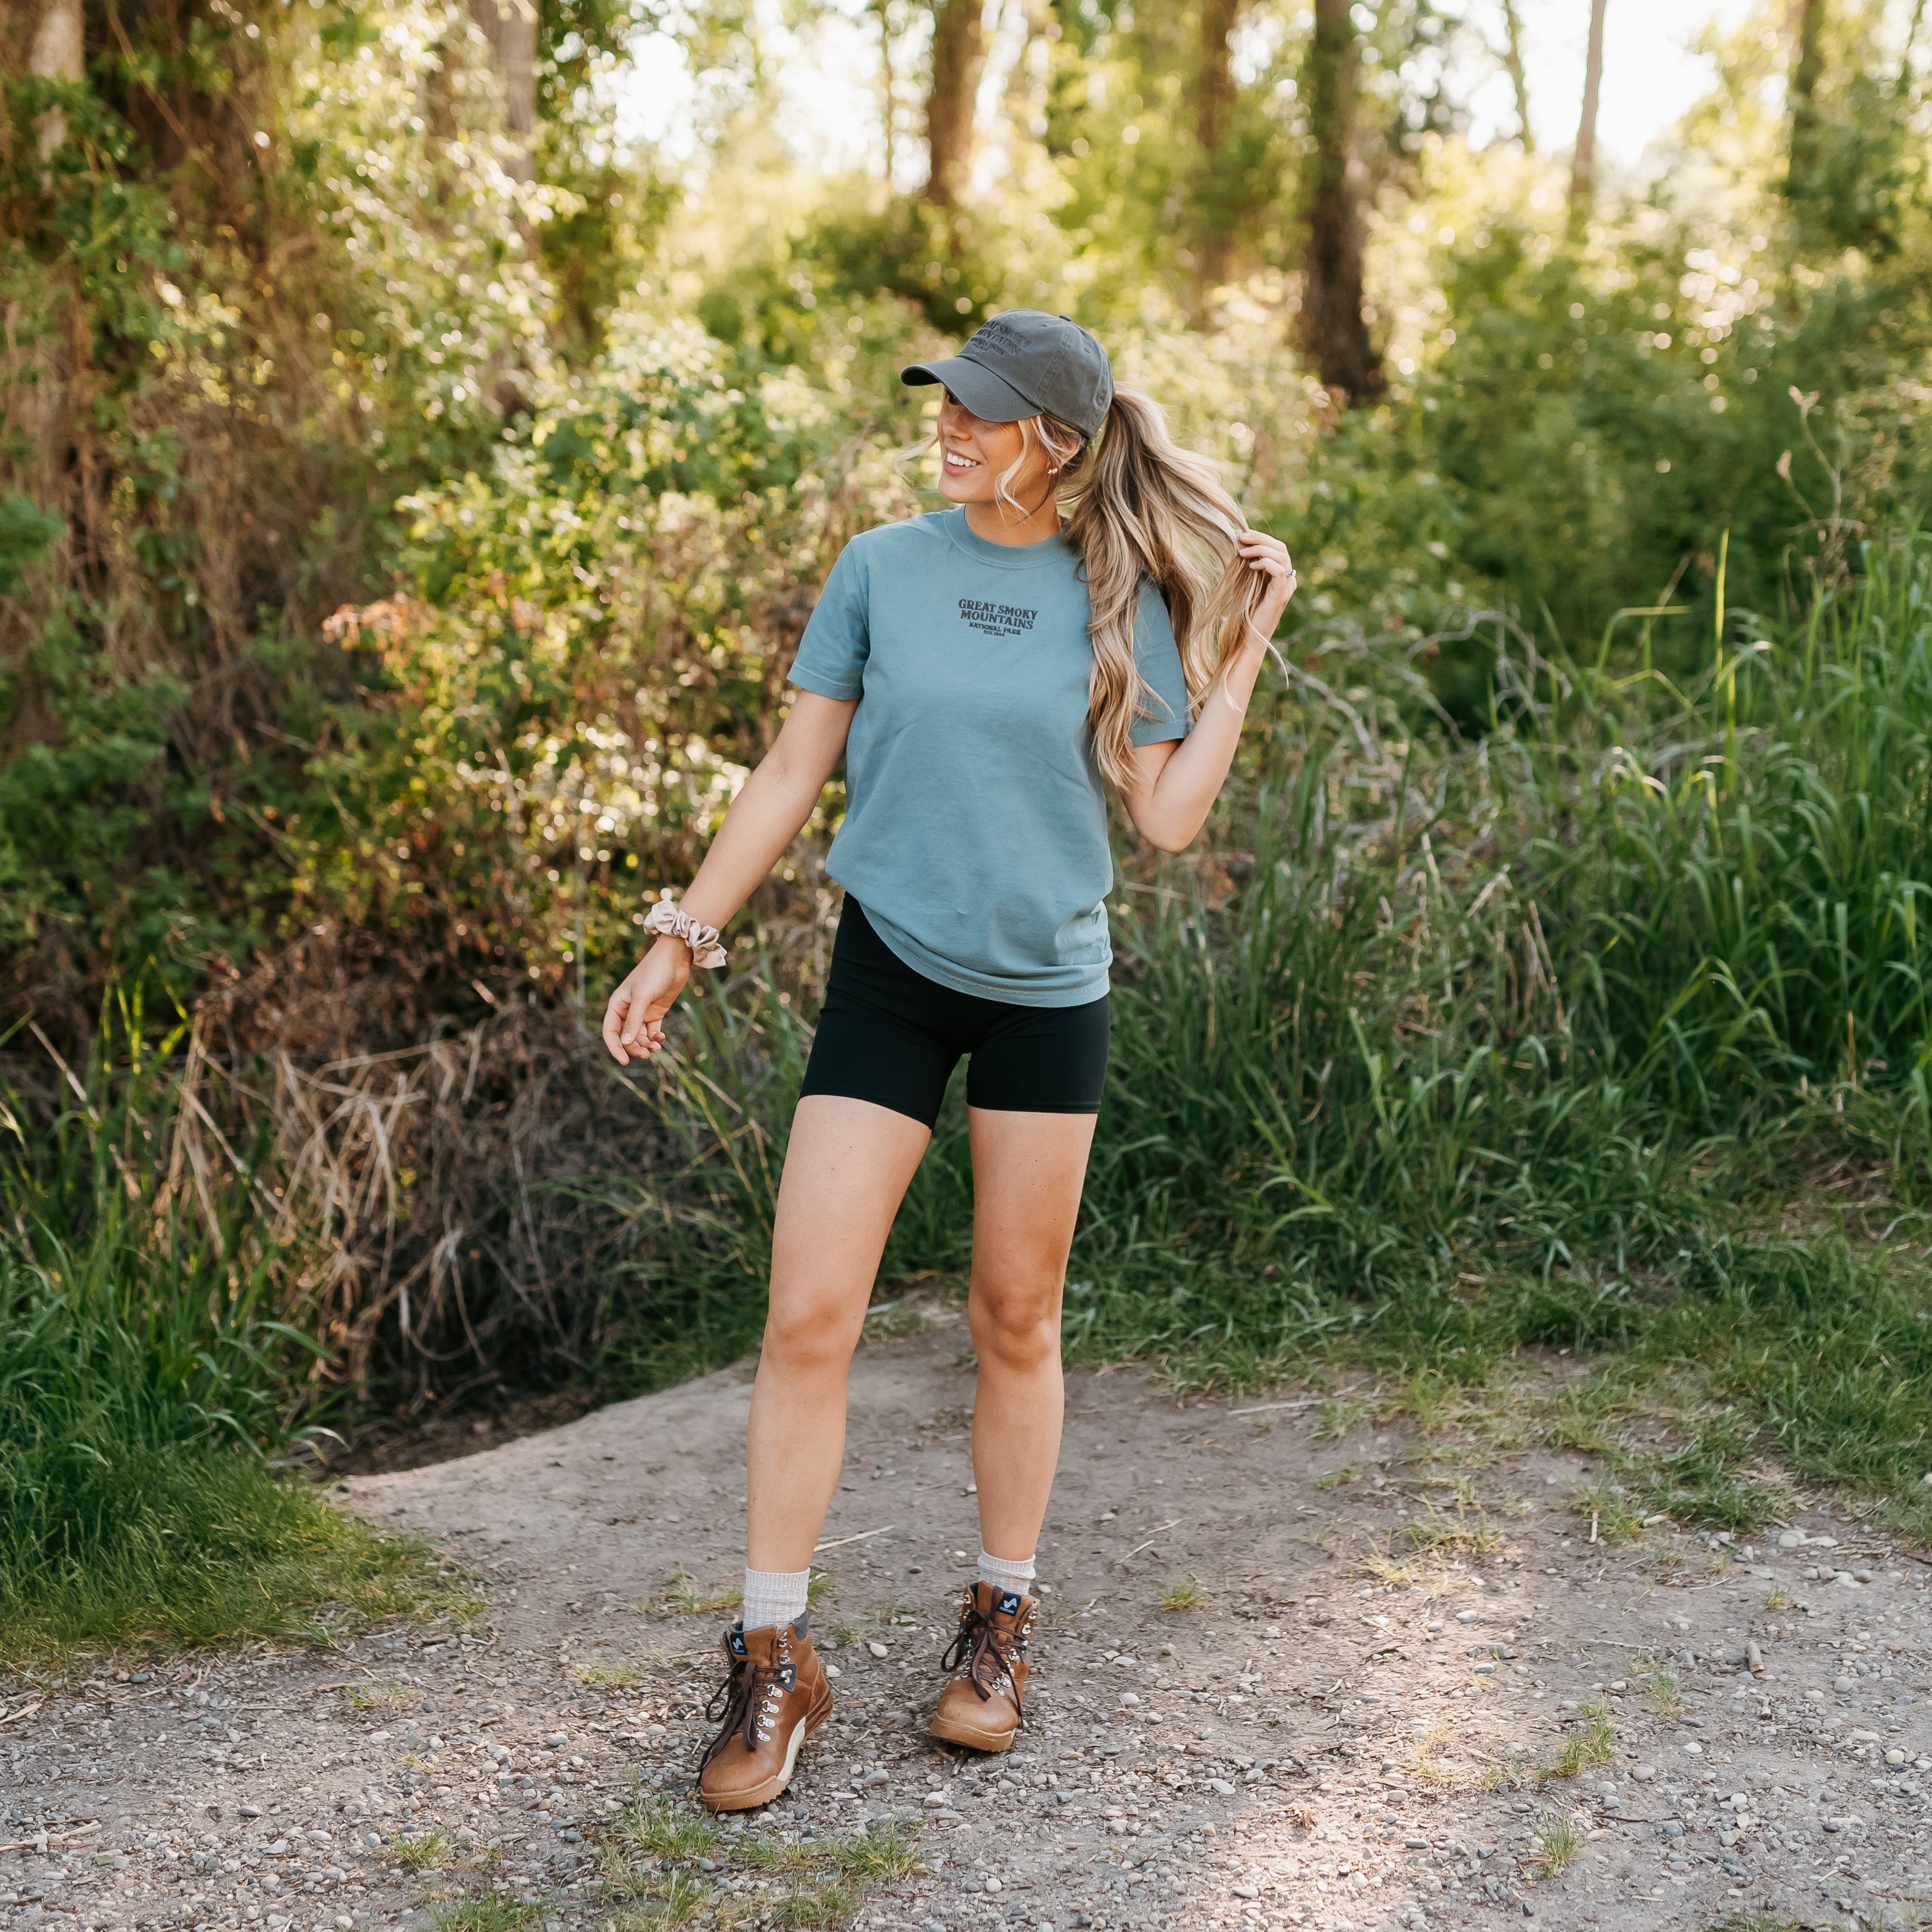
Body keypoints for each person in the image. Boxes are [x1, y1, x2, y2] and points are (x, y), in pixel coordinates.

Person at [601, 310, 1296, 1811]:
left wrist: (1239, 654)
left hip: (1049, 993)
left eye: (980, 412)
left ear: (1053, 438)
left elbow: (1165, 820)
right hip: (891, 979)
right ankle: (774, 1653)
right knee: (807, 1311)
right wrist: (681, 936)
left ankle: (999, 1621)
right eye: (946, 404)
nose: (950, 427)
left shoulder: (1118, 597)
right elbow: (794, 767)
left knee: (1013, 1314)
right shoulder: (884, 569)